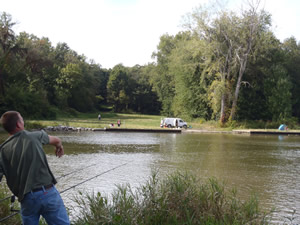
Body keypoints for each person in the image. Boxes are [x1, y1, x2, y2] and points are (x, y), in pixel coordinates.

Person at [0, 111, 70, 225]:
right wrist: (59, 147)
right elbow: (56, 140)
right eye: (22, 119)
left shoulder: (2, 151)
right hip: (47, 193)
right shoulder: (35, 136)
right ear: (19, 124)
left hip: (26, 199)